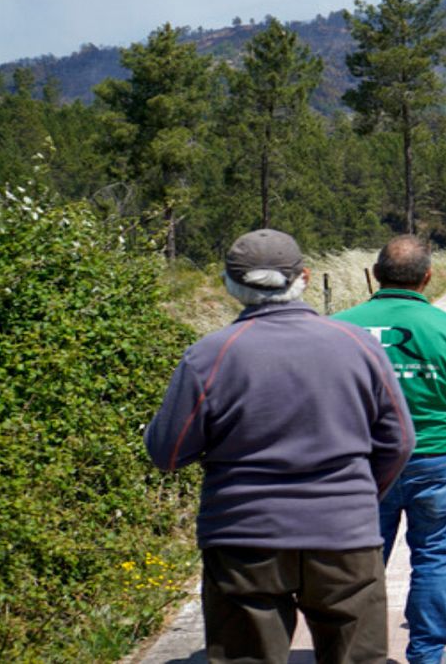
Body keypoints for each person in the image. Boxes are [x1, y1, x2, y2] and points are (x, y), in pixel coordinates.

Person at [145, 228, 414, 664]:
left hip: (244, 536)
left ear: (230, 284)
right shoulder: (358, 345)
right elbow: (399, 440)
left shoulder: (209, 356)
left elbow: (168, 452)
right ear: (304, 276)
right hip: (343, 532)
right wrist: (361, 494)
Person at [332, 235, 446, 664]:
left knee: (359, 564)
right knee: (434, 558)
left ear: (375, 274)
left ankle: (355, 653)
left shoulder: (339, 327)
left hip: (363, 464)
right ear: (428, 277)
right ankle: (427, 654)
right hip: (437, 457)